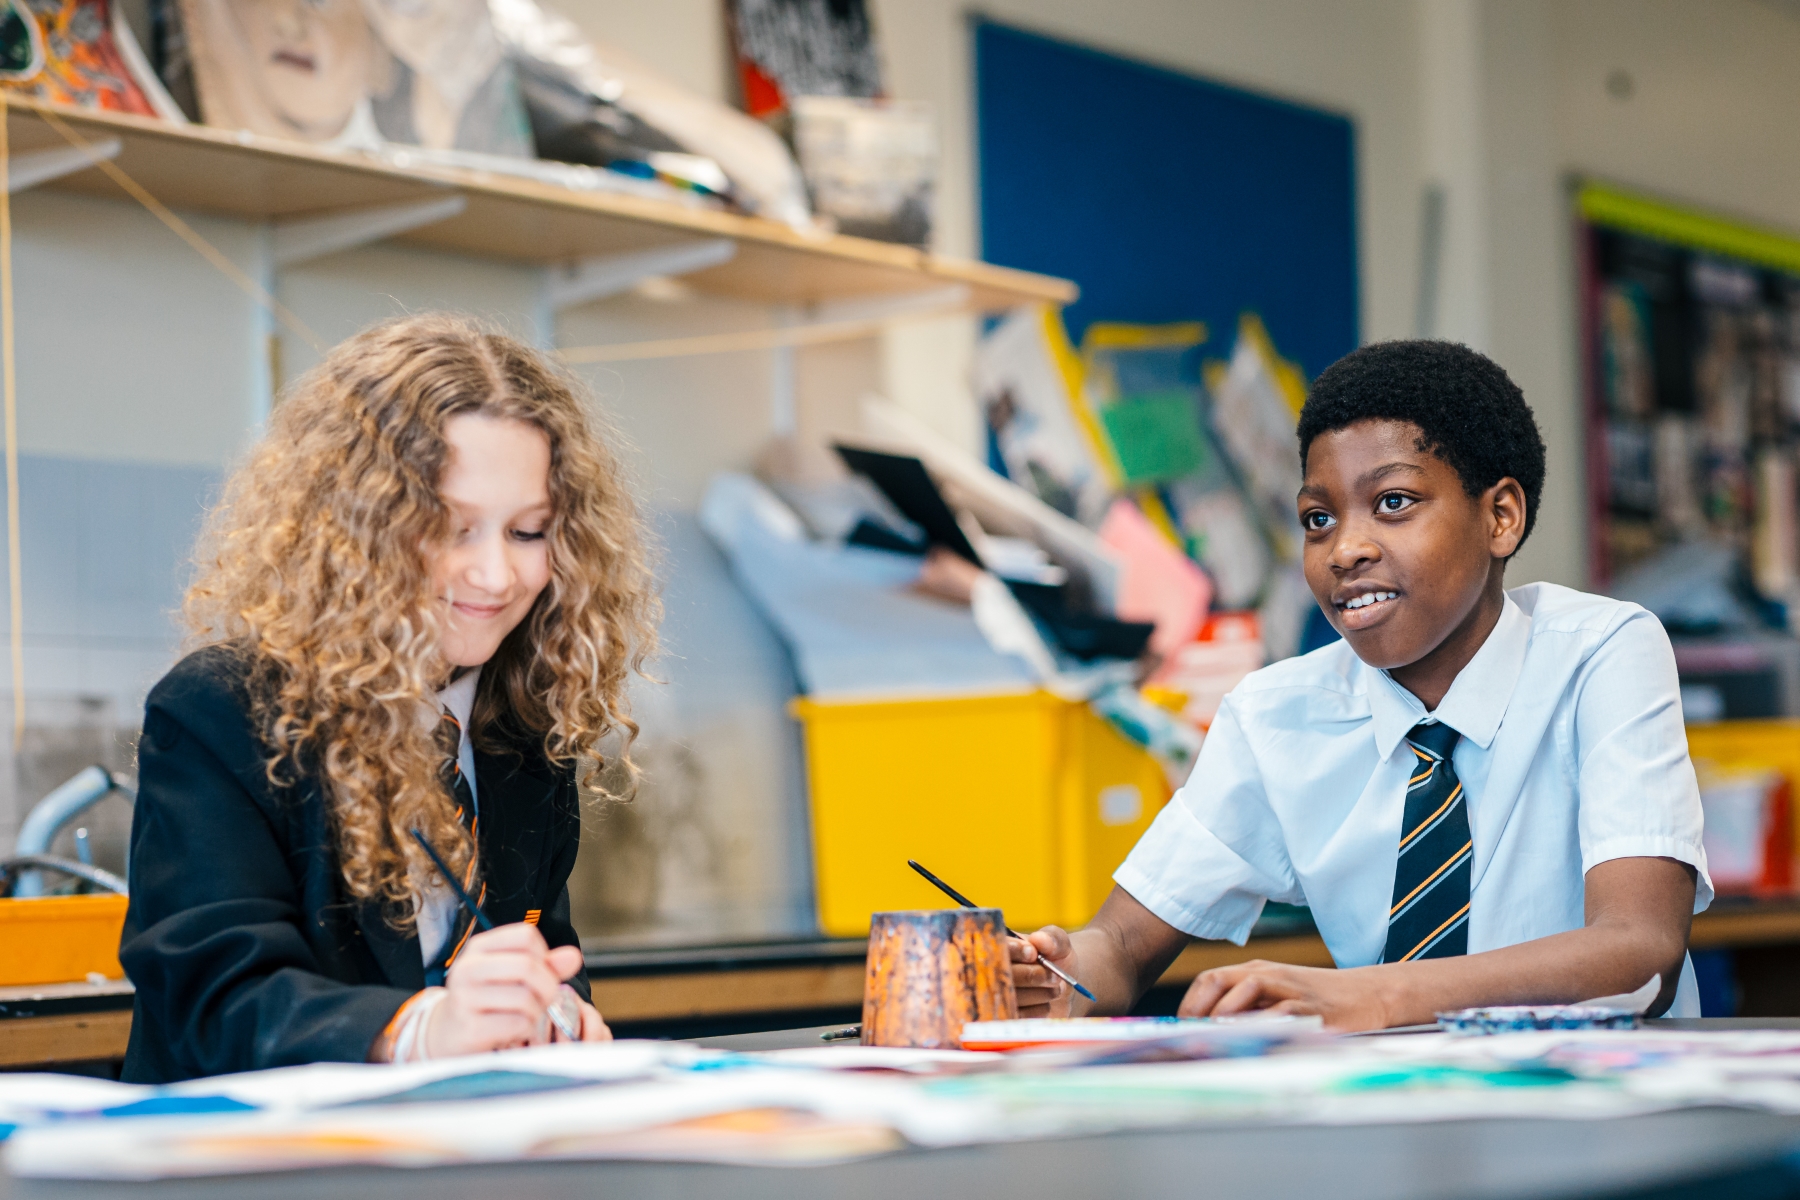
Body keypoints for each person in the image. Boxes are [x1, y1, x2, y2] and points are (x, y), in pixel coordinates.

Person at [1012, 340, 1711, 1027]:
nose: (1345, 549)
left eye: (1394, 502)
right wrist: (1060, 974)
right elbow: (1121, 945)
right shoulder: (1276, 716)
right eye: (1318, 519)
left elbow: (1639, 951)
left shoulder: (1601, 654)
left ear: (1500, 516)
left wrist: (1374, 996)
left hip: (1591, 1094)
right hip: (1387, 1096)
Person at [119, 314, 657, 1082]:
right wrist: (420, 1032)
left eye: (530, 532)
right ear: (355, 529)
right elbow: (213, 1001)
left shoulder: (523, 733)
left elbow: (536, 947)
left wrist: (559, 1014)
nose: (496, 576)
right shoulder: (221, 711)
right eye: (452, 528)